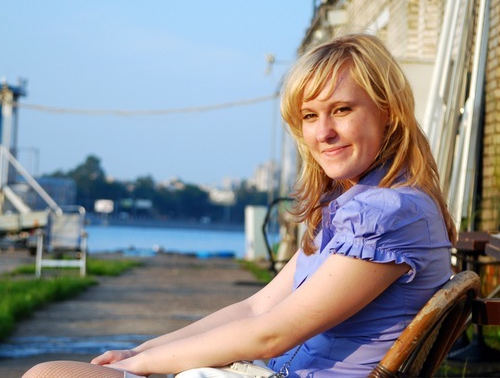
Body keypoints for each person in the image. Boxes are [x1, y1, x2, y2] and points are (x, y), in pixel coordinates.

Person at [23, 33, 455, 378]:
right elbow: (256, 307)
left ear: (387, 112)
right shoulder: (357, 205)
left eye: (341, 110)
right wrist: (143, 351)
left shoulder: (387, 213)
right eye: (309, 116)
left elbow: (272, 335)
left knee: (47, 375)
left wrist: (144, 364)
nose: (323, 132)